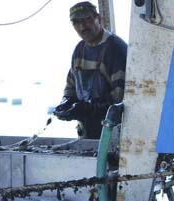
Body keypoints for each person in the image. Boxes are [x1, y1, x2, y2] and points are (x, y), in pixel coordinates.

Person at [53, 1, 128, 139]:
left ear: (98, 18)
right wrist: (67, 102)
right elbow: (71, 85)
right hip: (87, 132)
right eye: (76, 22)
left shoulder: (115, 49)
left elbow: (122, 97)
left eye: (87, 20)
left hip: (113, 134)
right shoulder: (79, 49)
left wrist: (88, 109)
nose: (82, 27)